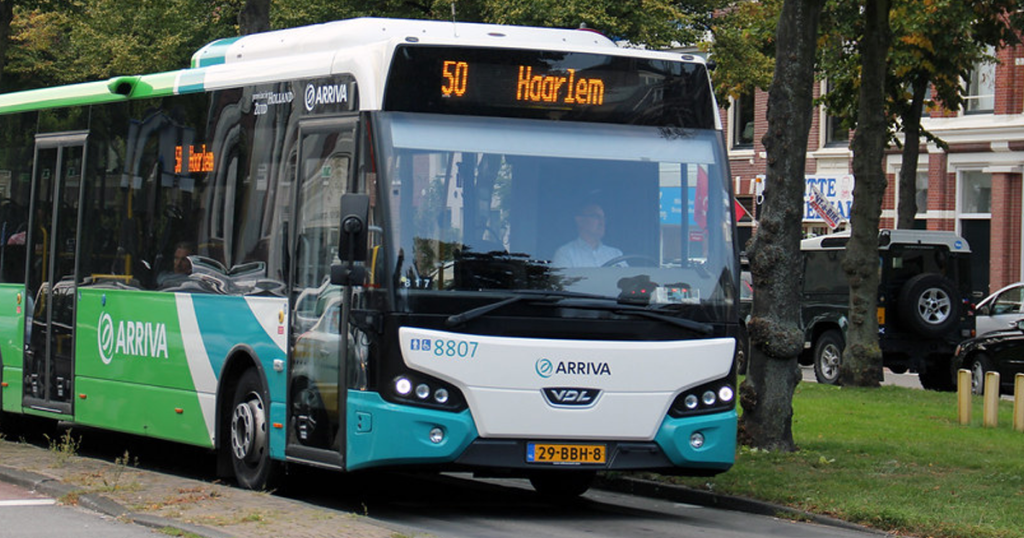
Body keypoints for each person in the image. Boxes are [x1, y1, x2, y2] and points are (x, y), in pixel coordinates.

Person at [553, 203, 623, 267]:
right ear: (580, 220)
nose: (602, 222)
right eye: (596, 217)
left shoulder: (615, 254)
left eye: (603, 218)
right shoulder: (565, 253)